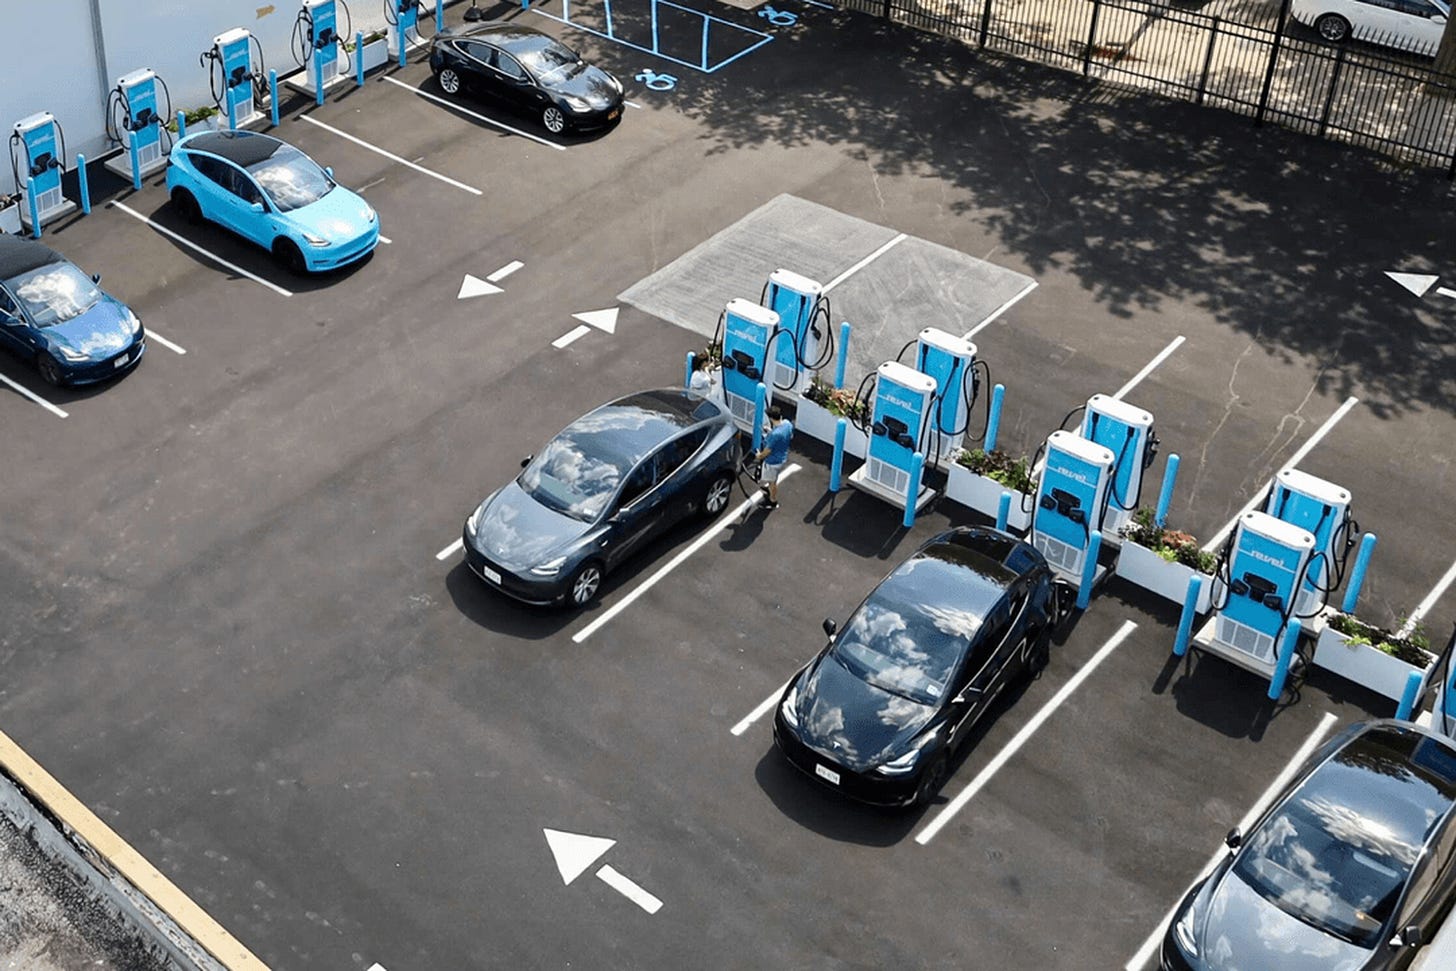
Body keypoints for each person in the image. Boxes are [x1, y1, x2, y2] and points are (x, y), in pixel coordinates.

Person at [755, 406, 793, 510]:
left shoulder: (775, 435)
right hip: (781, 457)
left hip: (773, 462)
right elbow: (789, 436)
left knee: (772, 482)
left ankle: (772, 501)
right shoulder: (787, 424)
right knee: (773, 479)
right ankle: (771, 490)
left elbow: (767, 451)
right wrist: (770, 431)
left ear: (771, 418)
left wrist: (759, 455)